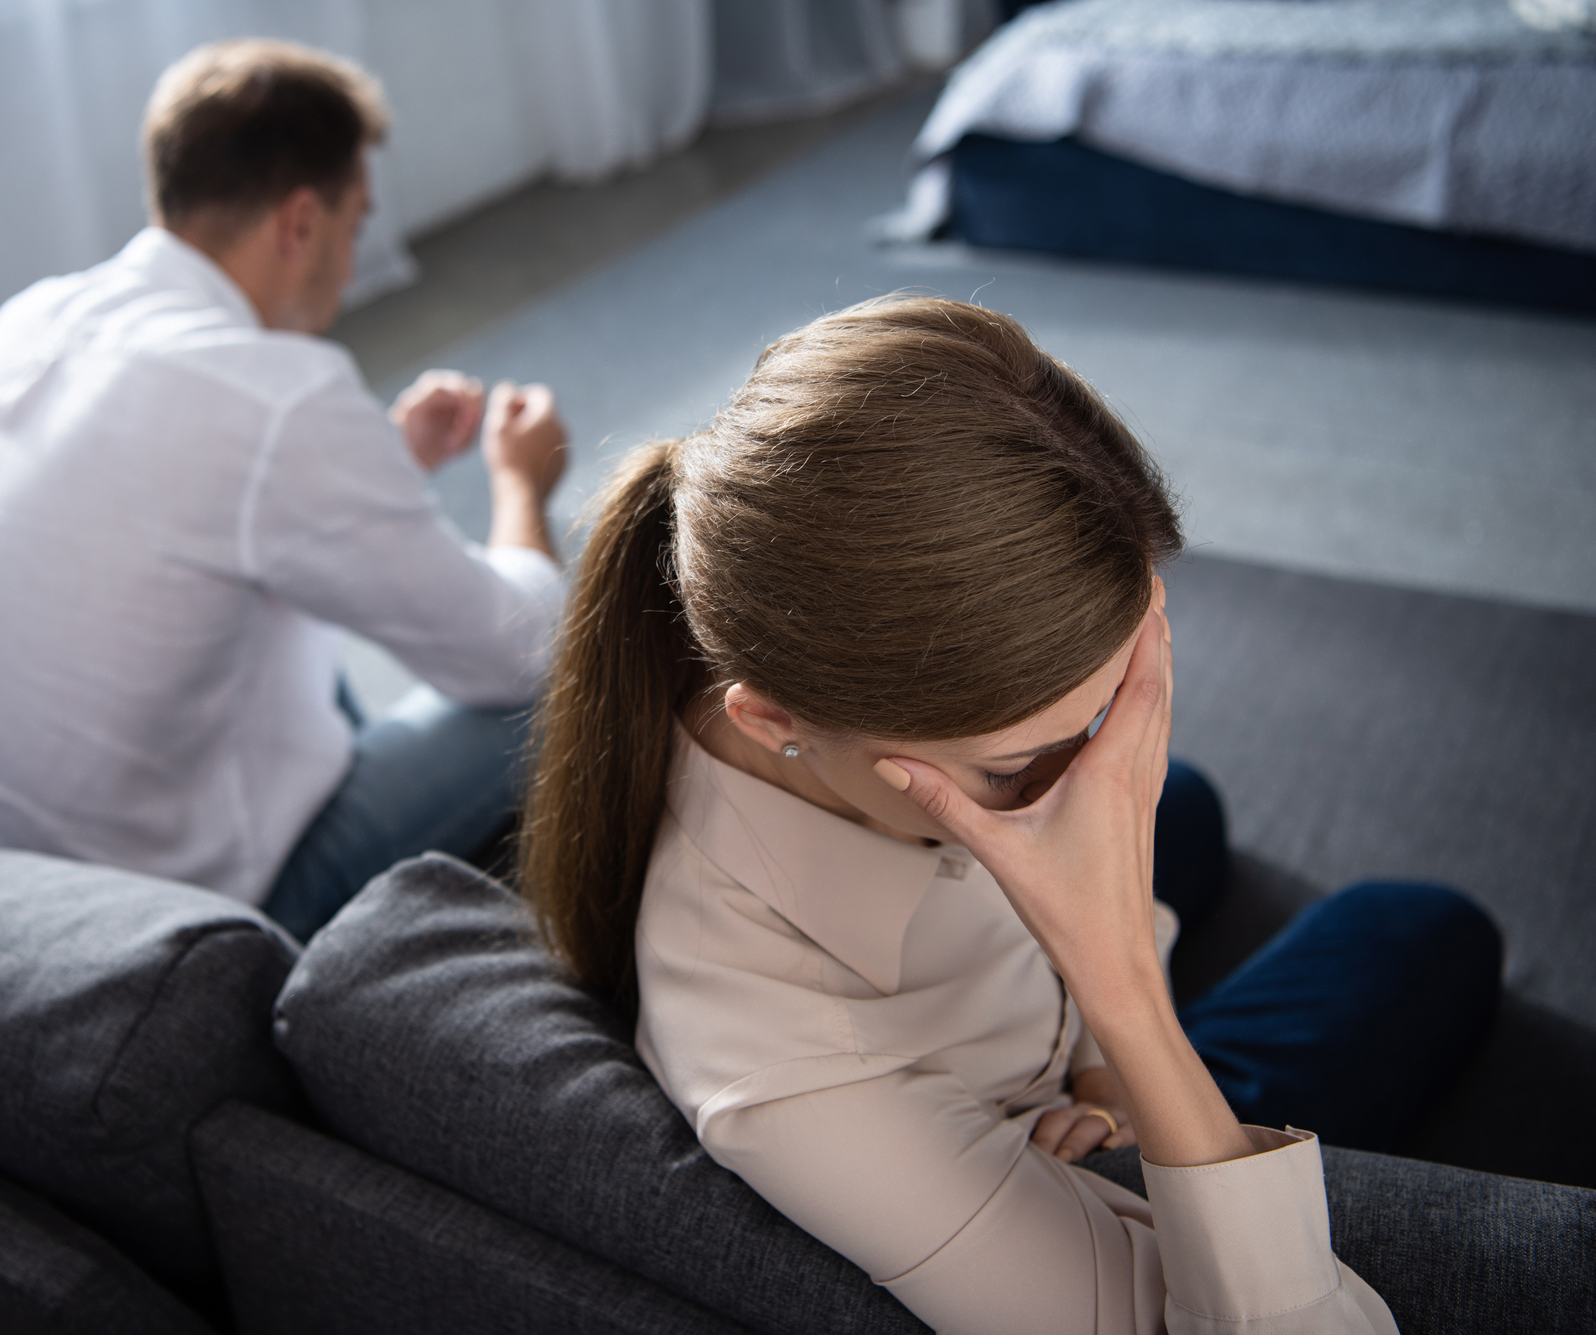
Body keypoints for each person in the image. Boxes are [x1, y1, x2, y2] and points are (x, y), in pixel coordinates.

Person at [517, 296, 1509, 1332]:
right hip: (1070, 1120)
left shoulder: (795, 685)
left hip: (1080, 1065)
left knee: (1193, 806)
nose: (1103, 781)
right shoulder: (794, 1078)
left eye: (1115, 701)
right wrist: (1122, 995)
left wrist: (1097, 1055)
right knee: (1421, 928)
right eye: (1017, 771)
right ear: (775, 723)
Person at [0, 40, 567, 939]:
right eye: (354, 223)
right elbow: (522, 646)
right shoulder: (277, 400)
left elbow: (184, 510)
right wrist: (519, 486)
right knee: (565, 681)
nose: (348, 258)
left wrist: (381, 460)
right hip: (162, 923)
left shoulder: (26, 321)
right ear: (301, 222)